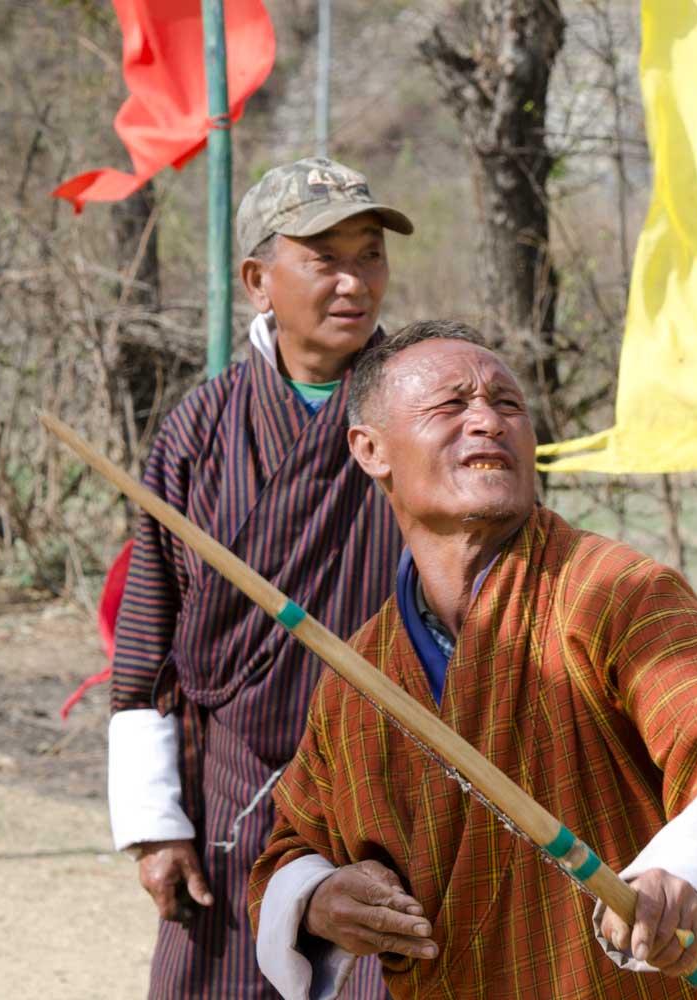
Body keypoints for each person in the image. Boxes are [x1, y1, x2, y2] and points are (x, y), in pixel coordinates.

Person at [247, 321, 697, 1000]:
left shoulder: (612, 591)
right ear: (370, 448)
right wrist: (321, 899)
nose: (487, 422)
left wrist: (689, 874)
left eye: (508, 405)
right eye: (451, 405)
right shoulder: (359, 678)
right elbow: (291, 846)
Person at [108, 157, 413, 999]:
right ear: (258, 281)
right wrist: (153, 826)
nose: (355, 281)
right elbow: (144, 648)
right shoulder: (199, 431)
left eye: (371, 255)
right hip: (232, 803)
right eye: (325, 259)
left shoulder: (423, 413)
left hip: (393, 789)